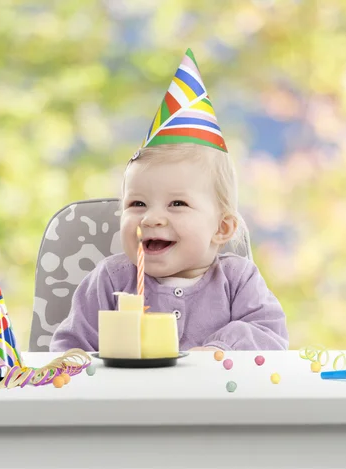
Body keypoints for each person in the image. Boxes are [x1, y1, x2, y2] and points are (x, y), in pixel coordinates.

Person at [50, 48, 289, 352]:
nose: (151, 218)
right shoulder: (109, 282)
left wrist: (218, 350)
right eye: (137, 204)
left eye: (177, 204)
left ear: (222, 228)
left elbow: (270, 334)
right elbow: (69, 350)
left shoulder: (237, 280)